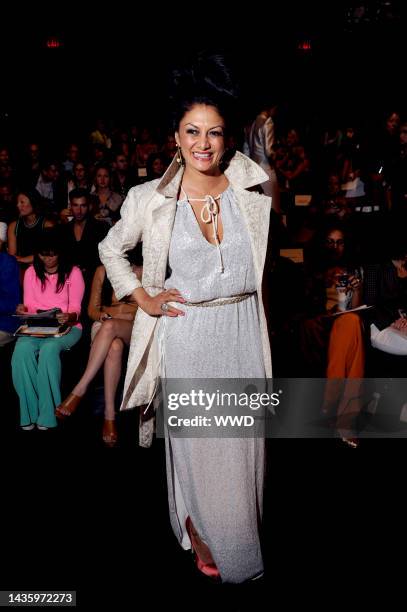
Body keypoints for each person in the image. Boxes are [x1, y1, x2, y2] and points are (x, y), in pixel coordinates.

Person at [96, 54, 272, 584]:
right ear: (175, 136)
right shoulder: (151, 199)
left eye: (214, 132)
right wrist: (141, 296)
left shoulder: (251, 189)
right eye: (192, 131)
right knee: (200, 450)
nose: (203, 143)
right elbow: (110, 248)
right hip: (190, 334)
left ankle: (239, 534)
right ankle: (199, 531)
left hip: (243, 330)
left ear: (228, 136)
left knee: (243, 450)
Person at [55, 251, 142, 446]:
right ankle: (109, 416)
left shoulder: (143, 272)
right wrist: (101, 316)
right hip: (104, 324)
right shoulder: (102, 271)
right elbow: (92, 309)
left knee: (112, 329)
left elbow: (147, 308)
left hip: (132, 325)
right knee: (115, 346)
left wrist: (124, 318)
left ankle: (79, 388)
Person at [11, 231, 84, 430]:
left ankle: (48, 413)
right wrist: (23, 310)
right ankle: (29, 412)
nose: (48, 259)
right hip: (37, 327)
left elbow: (76, 311)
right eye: (44, 255)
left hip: (67, 328)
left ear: (60, 253)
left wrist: (68, 316)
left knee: (49, 351)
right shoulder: (31, 272)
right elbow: (30, 306)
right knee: (21, 352)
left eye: (52, 254)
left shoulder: (73, 272)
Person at [300, 221, 364, 446]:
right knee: (346, 326)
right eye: (330, 242)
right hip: (321, 322)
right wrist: (322, 281)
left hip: (345, 321)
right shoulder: (310, 270)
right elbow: (303, 307)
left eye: (340, 242)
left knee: (351, 322)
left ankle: (332, 408)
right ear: (322, 244)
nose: (335, 247)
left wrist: (355, 290)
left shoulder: (353, 270)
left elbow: (356, 308)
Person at [245, 99, 281, 212]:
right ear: (272, 108)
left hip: (254, 169)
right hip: (266, 168)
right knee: (273, 207)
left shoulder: (254, 122)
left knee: (259, 208)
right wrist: (276, 156)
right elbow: (269, 151)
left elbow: (247, 149)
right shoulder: (268, 122)